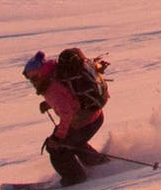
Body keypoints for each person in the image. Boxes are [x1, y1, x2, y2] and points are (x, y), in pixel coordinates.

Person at [23, 45, 111, 183]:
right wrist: (49, 104)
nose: (33, 83)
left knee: (57, 149)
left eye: (34, 78)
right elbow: (69, 98)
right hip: (94, 116)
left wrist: (58, 137)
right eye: (30, 80)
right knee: (74, 143)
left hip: (84, 122)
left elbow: (66, 114)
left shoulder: (51, 88)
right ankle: (103, 165)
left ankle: (74, 178)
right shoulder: (55, 73)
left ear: (41, 73)